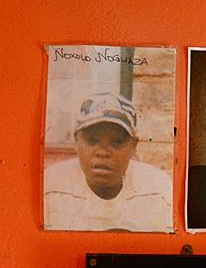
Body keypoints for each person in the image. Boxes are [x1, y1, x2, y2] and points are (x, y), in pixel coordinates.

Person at [44, 92, 172, 232]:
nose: (103, 152)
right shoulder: (51, 185)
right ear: (76, 141)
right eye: (92, 141)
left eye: (117, 142)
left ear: (133, 145)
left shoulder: (156, 188)